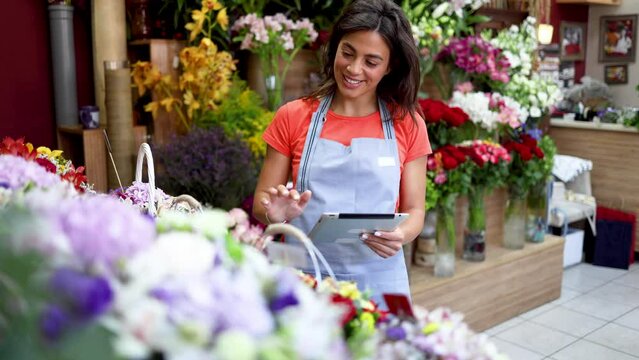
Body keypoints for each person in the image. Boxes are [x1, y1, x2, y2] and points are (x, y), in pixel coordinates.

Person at [252, 0, 431, 307]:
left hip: (381, 274)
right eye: (348, 52)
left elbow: (416, 210)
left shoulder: (408, 123)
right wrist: (274, 213)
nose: (353, 68)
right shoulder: (292, 116)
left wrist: (401, 234)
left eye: (371, 62)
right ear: (334, 47)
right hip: (300, 272)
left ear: (391, 66)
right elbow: (261, 204)